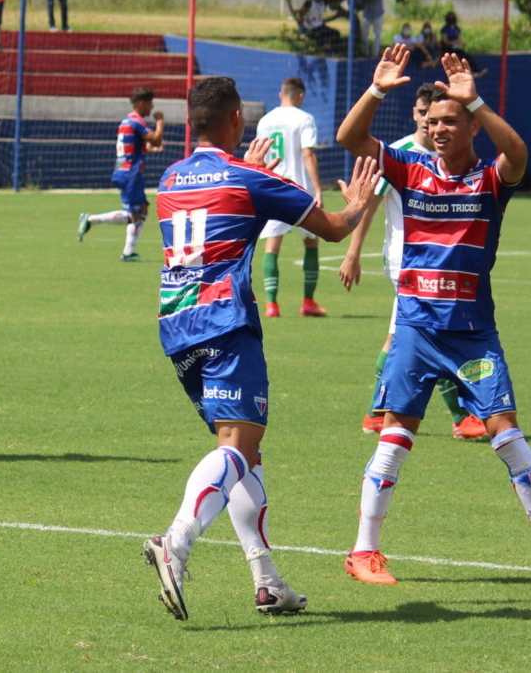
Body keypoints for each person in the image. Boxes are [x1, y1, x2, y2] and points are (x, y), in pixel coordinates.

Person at [140, 76, 382, 621]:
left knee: (244, 453)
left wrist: (252, 172)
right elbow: (334, 228)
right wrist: (361, 202)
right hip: (224, 321)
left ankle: (267, 581)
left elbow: (227, 200)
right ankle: (174, 543)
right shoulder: (250, 178)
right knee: (237, 446)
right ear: (234, 121)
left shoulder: (172, 179)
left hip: (175, 324)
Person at [335, 44, 531, 592]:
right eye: (433, 121)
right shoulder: (409, 167)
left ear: (470, 126)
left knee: (507, 435)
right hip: (416, 329)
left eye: (449, 121)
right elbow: (350, 139)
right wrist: (376, 90)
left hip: (473, 333)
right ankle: (364, 550)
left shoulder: (491, 179)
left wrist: (477, 99)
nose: (438, 129)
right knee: (394, 437)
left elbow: (520, 152)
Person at [338, 82, 488, 441]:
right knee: (433, 333)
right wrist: (353, 253)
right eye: (423, 114)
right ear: (415, 115)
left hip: (437, 258)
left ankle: (377, 412)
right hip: (407, 259)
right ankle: (461, 416)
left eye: (435, 115)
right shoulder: (400, 153)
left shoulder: (448, 156)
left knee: (399, 336)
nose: (428, 122)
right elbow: (369, 205)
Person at [256, 77, 328, 318]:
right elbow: (308, 153)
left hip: (272, 187)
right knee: (311, 242)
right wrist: (317, 188)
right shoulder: (304, 118)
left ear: (281, 94)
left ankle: (271, 304)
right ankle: (308, 301)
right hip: (300, 190)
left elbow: (261, 155)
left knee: (272, 245)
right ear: (300, 96)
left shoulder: (265, 120)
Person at [77, 87, 165, 262]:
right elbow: (156, 138)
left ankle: (129, 252)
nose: (152, 107)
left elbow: (134, 146)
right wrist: (160, 121)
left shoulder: (126, 121)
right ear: (140, 103)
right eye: (150, 104)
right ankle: (92, 220)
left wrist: (148, 148)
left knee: (142, 210)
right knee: (134, 214)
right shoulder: (137, 121)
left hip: (126, 170)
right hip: (130, 173)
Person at [439, 12, 485, 77]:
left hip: (456, 48)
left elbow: (459, 39)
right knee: (458, 57)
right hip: (448, 48)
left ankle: (476, 71)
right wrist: (454, 42)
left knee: (467, 56)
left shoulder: (457, 28)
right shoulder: (445, 28)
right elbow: (445, 41)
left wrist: (460, 43)